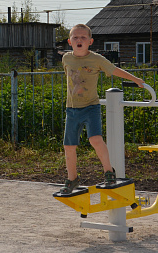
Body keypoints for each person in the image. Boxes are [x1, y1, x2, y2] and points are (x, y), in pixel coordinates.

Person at [58, 23, 144, 194]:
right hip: (72, 109)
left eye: (83, 37)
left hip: (91, 107)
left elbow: (114, 70)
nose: (79, 40)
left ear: (90, 41)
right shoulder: (66, 58)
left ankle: (108, 172)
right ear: (69, 41)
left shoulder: (96, 59)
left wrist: (135, 79)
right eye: (75, 37)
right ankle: (72, 178)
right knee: (69, 146)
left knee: (95, 139)